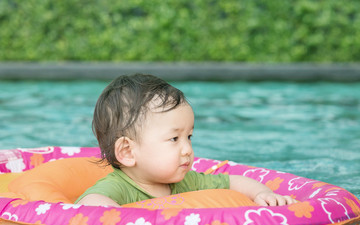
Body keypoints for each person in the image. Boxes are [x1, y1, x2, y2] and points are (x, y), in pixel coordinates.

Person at [75, 74, 296, 207]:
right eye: (174, 138)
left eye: (188, 137)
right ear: (127, 152)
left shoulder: (186, 182)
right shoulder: (118, 187)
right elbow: (89, 204)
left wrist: (262, 194)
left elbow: (233, 182)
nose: (187, 149)